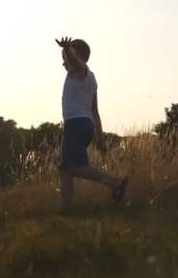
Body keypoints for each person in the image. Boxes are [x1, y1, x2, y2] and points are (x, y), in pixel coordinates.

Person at [55, 36, 128, 212]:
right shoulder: (91, 80)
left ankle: (115, 183)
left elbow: (75, 61)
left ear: (76, 56)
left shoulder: (80, 71)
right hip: (85, 124)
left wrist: (67, 50)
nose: (63, 63)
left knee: (72, 167)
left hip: (76, 124)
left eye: (64, 59)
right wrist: (100, 138)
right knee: (64, 169)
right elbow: (95, 111)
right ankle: (66, 210)